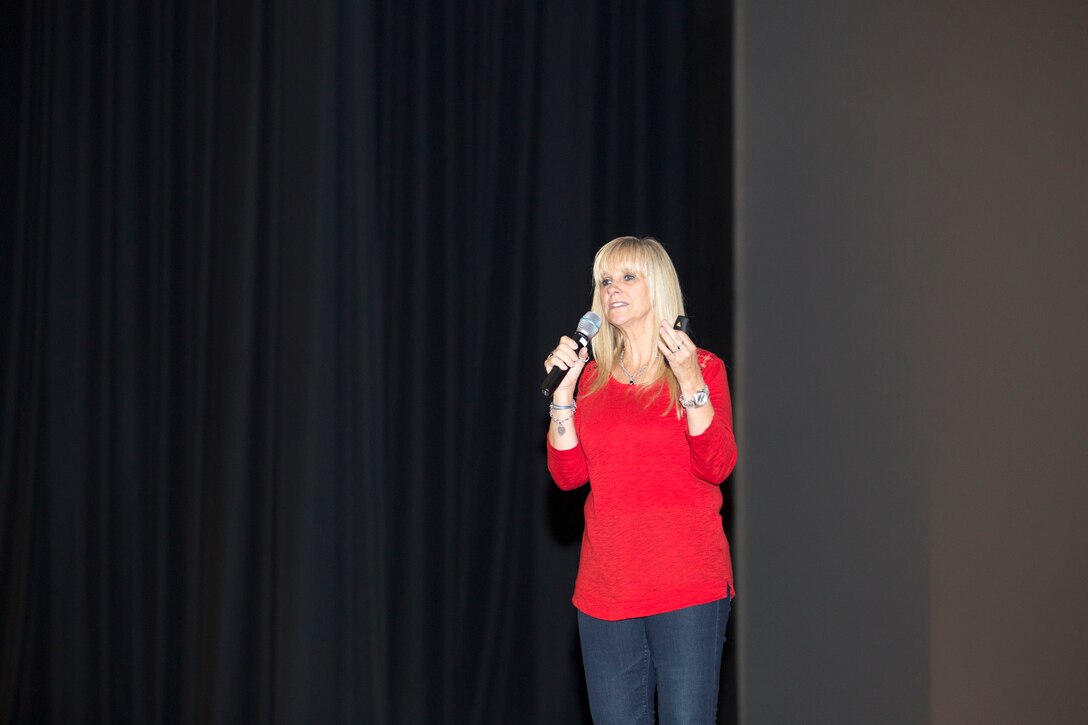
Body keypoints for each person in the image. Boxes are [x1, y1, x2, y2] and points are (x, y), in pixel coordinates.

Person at [544, 236, 738, 725]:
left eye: (628, 277)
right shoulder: (588, 380)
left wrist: (690, 381)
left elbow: (716, 465)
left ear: (659, 287)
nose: (613, 289)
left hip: (686, 583)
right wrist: (562, 399)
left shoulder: (703, 368)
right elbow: (568, 477)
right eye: (605, 280)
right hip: (606, 590)